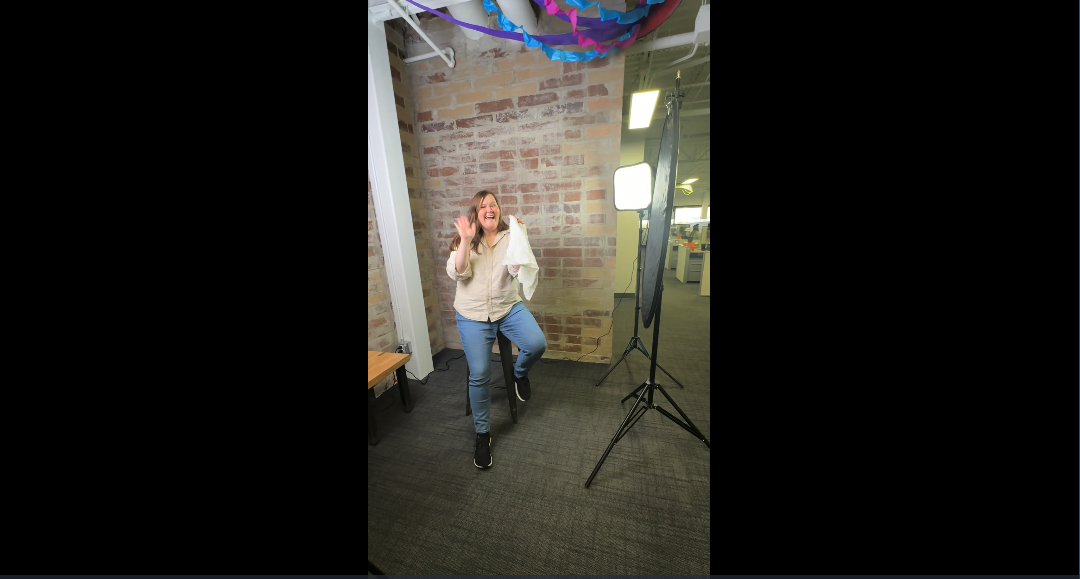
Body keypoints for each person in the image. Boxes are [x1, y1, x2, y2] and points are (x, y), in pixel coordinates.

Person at [447, 190, 547, 469]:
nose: (489, 209)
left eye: (493, 204)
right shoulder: (464, 239)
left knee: (537, 344)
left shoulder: (511, 235)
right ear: (476, 213)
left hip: (506, 307)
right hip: (473, 314)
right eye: (483, 206)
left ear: (499, 210)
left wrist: (520, 249)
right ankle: (483, 434)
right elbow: (459, 272)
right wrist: (466, 240)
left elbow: (519, 271)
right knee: (480, 374)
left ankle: (519, 374)